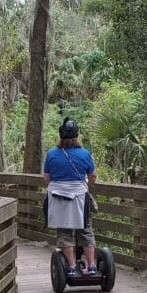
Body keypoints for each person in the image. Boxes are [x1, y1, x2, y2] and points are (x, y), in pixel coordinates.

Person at [43, 117, 97, 277]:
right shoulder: (85, 154)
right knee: (85, 229)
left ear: (61, 136)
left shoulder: (52, 154)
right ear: (76, 136)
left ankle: (72, 267)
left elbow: (46, 179)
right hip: (80, 196)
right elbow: (92, 176)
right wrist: (87, 185)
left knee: (65, 232)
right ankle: (92, 266)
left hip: (58, 197)